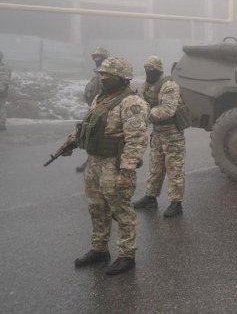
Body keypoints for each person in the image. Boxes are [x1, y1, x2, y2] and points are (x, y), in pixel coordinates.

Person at [70, 56, 149, 275]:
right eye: (101, 74)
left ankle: (126, 255)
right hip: (94, 162)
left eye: (107, 75)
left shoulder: (132, 103)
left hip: (115, 165)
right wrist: (72, 141)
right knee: (97, 208)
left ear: (122, 78)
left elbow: (136, 140)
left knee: (121, 210)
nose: (102, 78)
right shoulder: (100, 98)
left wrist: (126, 171)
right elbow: (88, 125)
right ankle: (99, 249)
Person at [132, 55, 189, 218]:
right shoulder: (145, 86)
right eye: (146, 69)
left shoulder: (169, 85)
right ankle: (150, 197)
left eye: (152, 70)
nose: (149, 73)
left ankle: (176, 203)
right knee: (155, 166)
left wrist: (143, 114)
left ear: (158, 70)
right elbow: (139, 102)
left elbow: (167, 110)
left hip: (172, 132)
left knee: (175, 168)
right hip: (157, 132)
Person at [76, 47, 110, 172]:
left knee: (102, 137)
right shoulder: (97, 74)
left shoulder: (109, 74)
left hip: (106, 110)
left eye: (99, 57)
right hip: (95, 109)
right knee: (93, 135)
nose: (97, 60)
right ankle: (91, 162)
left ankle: (93, 163)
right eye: (95, 58)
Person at [0, 50, 10, 131]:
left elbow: (4, 80)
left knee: (1, 107)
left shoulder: (3, 68)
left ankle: (1, 124)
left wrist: (0, 89)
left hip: (1, 91)